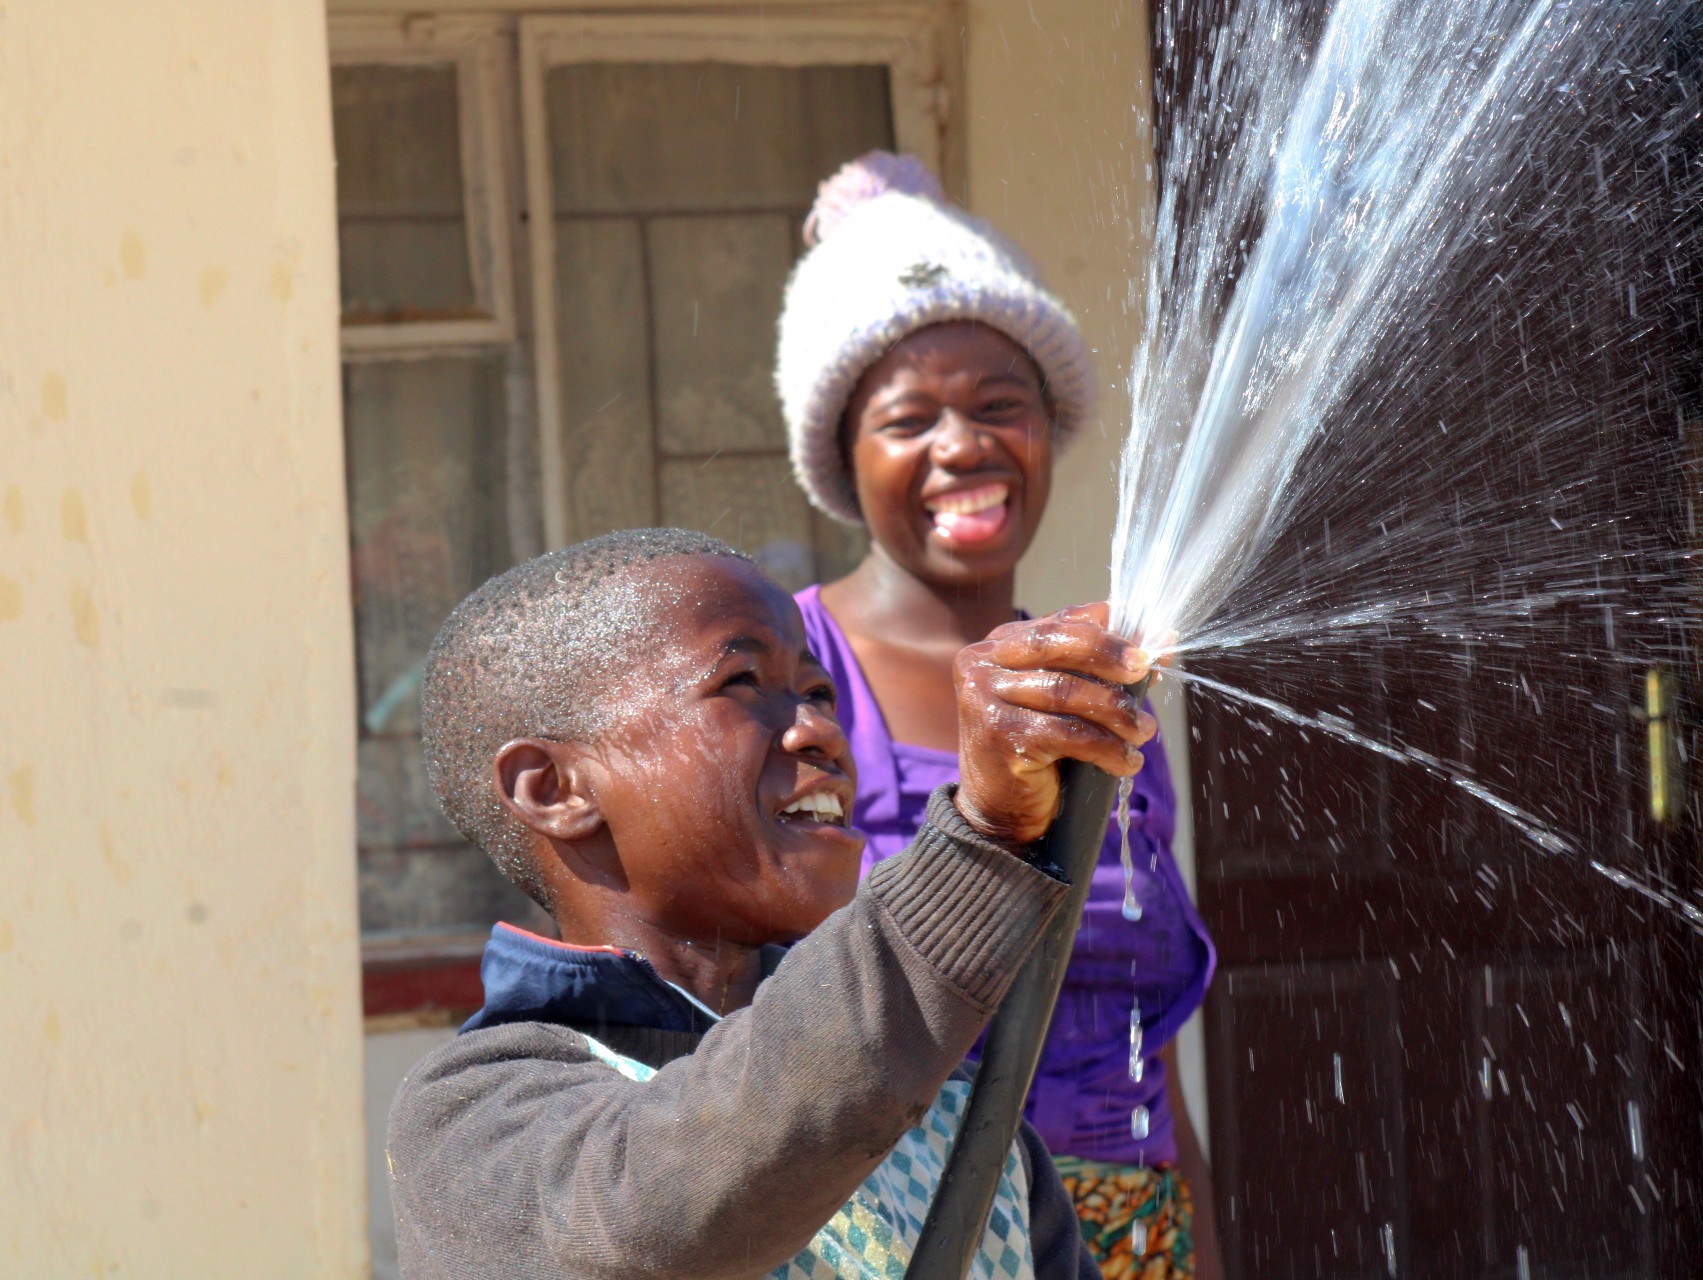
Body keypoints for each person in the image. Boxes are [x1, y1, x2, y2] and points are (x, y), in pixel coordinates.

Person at [387, 526, 1161, 1280]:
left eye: (819, 692)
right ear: (554, 790)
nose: (819, 730)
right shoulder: (476, 1117)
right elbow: (672, 1214)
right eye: (742, 685)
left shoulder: (956, 1113)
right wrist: (979, 844)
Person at [777, 154, 1222, 1279]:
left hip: (1132, 1214)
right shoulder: (788, 673)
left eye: (998, 405)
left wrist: (1197, 1236)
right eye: (909, 417)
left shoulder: (1093, 679)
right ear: (842, 453)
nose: (962, 445)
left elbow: (1135, 1024)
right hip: (907, 1224)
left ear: (1048, 429)